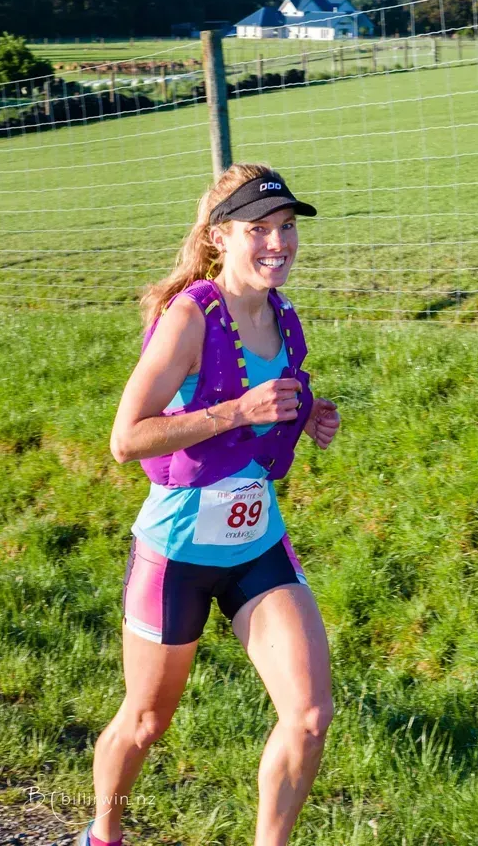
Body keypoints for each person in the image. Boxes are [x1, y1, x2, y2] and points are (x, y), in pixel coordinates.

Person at [76, 163, 340, 846]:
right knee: (146, 720)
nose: (278, 243)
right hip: (177, 552)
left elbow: (271, 396)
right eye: (260, 229)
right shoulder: (190, 317)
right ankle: (104, 830)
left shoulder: (282, 314)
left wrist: (306, 413)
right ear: (221, 236)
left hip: (256, 544)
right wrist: (238, 411)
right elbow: (125, 438)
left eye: (286, 228)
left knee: (309, 715)